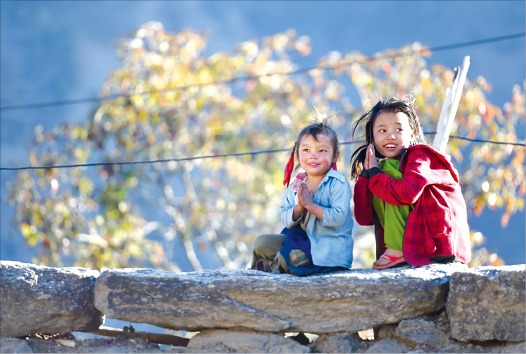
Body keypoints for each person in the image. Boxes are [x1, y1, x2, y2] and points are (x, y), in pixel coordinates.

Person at [350, 96, 471, 269]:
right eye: (382, 131)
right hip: (421, 239)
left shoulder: (420, 156)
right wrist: (368, 174)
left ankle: (396, 250)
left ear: (412, 133)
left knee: (389, 177)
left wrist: (377, 174)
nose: (390, 136)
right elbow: (364, 217)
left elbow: (407, 193)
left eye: (399, 129)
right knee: (384, 174)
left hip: (440, 243)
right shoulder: (381, 166)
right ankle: (397, 249)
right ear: (373, 137)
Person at [251, 118, 354, 276]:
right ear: (298, 154)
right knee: (261, 243)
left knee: (291, 257)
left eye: (322, 151)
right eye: (306, 150)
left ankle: (274, 267)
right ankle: (265, 269)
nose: (313, 156)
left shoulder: (338, 184)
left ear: (335, 156)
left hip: (326, 250)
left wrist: (311, 206)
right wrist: (299, 208)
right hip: (300, 240)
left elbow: (338, 218)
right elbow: (285, 217)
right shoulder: (297, 184)